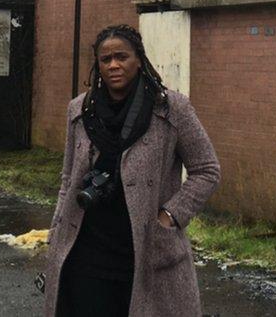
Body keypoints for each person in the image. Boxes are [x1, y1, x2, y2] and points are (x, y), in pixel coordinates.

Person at [43, 25, 221, 317]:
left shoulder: (171, 109)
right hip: (85, 254)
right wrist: (56, 231)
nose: (113, 65)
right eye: (105, 59)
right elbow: (67, 180)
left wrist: (170, 216)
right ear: (97, 65)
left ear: (138, 59)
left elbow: (207, 170)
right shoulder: (79, 110)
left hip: (147, 251)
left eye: (121, 57)